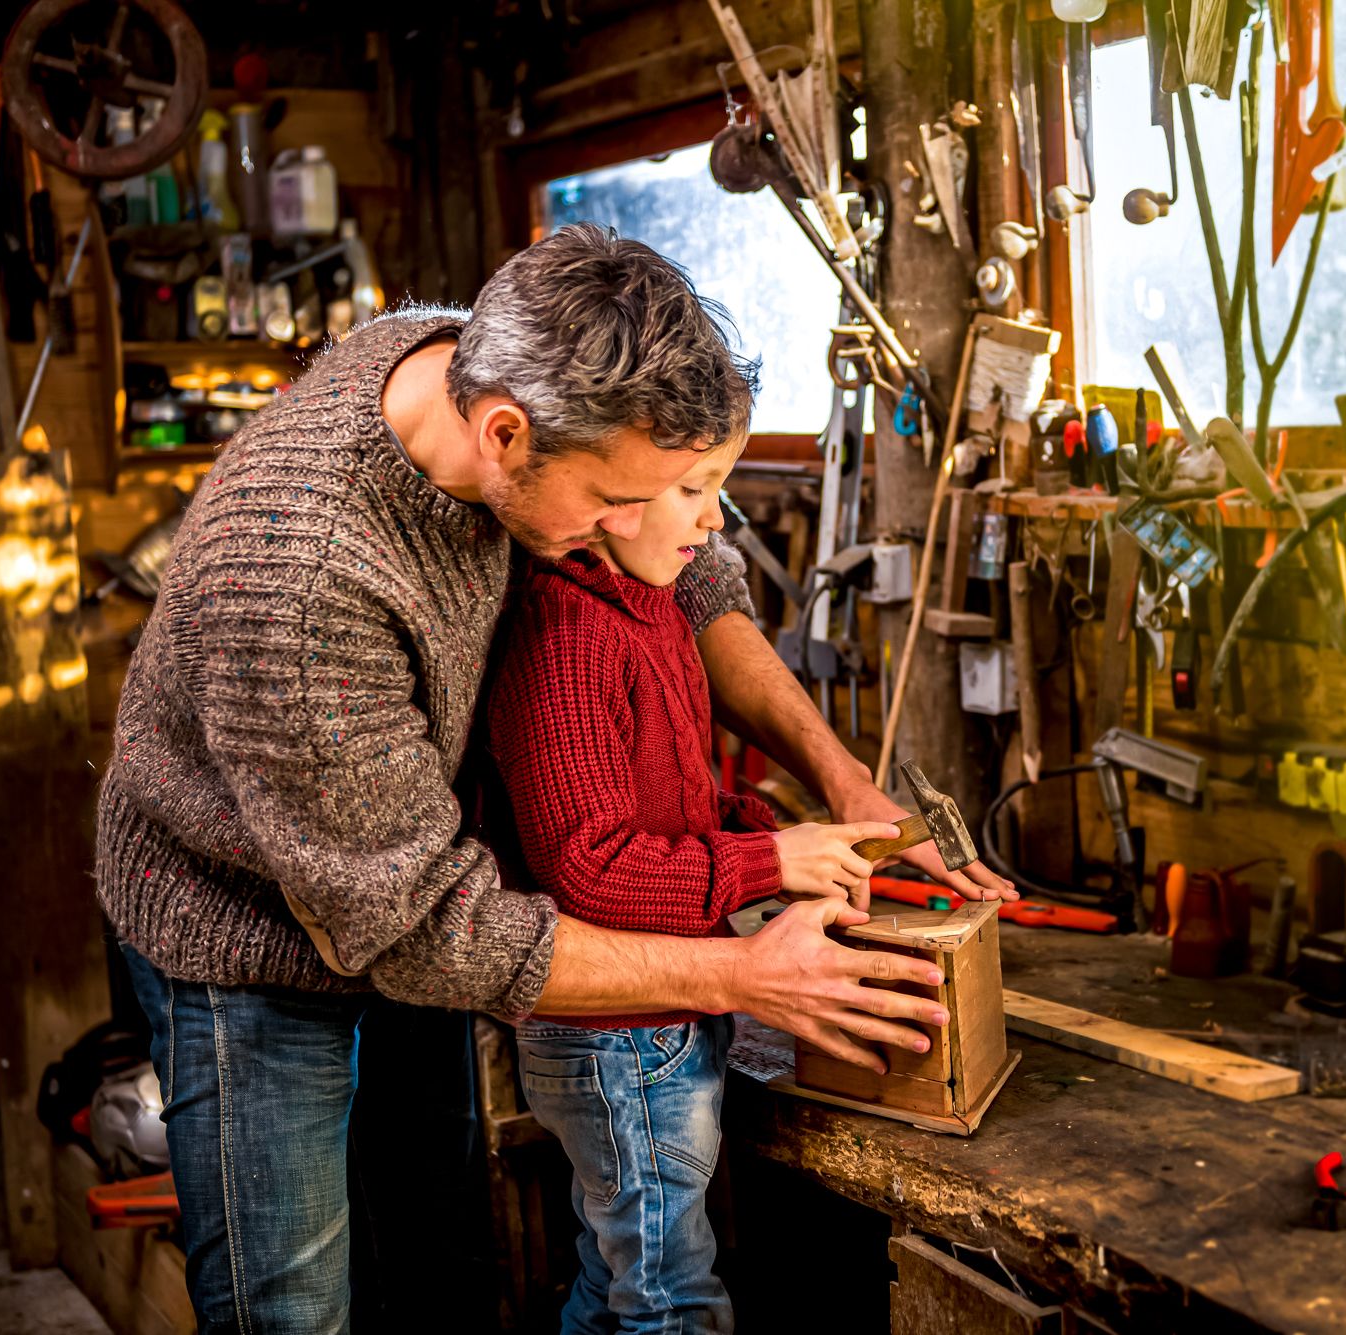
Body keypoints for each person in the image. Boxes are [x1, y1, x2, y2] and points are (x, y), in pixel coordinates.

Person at [95, 223, 1013, 1333]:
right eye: (612, 505)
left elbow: (691, 579)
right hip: (246, 923)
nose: (633, 532)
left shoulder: (496, 381)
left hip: (401, 864)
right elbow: (421, 931)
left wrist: (842, 780)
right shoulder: (302, 581)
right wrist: (744, 978)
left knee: (440, 1267)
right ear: (503, 434)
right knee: (289, 1307)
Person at [488, 437, 891, 1333]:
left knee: (615, 1277)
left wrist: (773, 835)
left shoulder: (654, 603)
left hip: (656, 1024)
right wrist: (767, 864)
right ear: (616, 500)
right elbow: (589, 870)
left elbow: (670, 806)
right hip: (617, 1041)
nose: (716, 520)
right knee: (673, 1300)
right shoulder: (568, 637)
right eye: (695, 489)